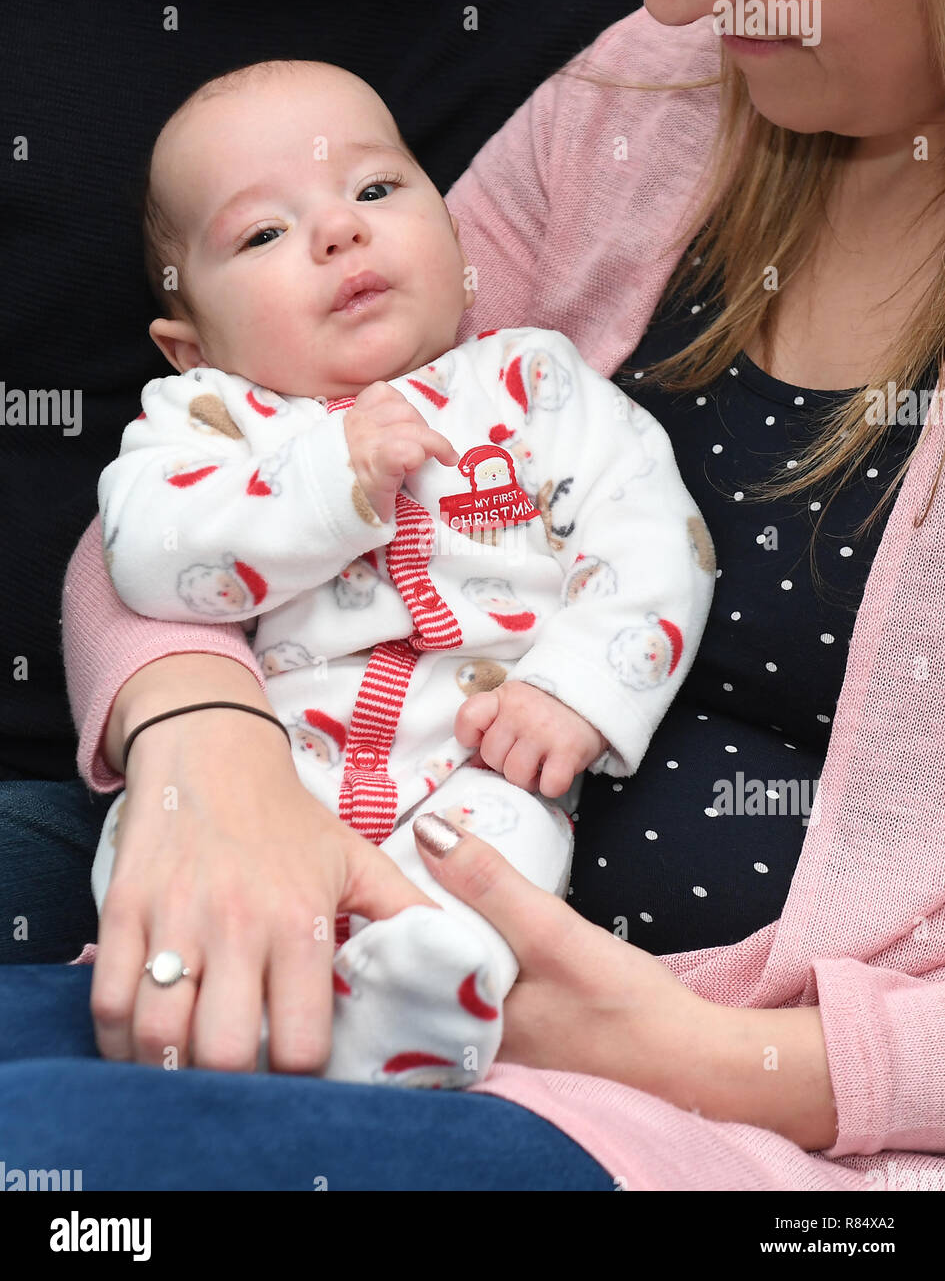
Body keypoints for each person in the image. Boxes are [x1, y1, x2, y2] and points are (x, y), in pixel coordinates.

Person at [3, 0, 945, 1190]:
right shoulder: (654, 91)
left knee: (49, 1153)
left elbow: (647, 542)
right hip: (259, 860)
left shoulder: (539, 387)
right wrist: (201, 735)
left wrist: (709, 1055)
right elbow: (147, 527)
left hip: (660, 1066)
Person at [90, 57, 714, 1089]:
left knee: (500, 853)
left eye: (377, 190)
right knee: (152, 835)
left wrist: (576, 687)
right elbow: (150, 556)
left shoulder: (533, 381)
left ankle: (408, 1007)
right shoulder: (209, 422)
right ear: (188, 344)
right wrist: (326, 485)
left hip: (471, 764)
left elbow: (653, 536)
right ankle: (210, 1008)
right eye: (263, 233)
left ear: (457, 239)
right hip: (266, 772)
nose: (339, 231)